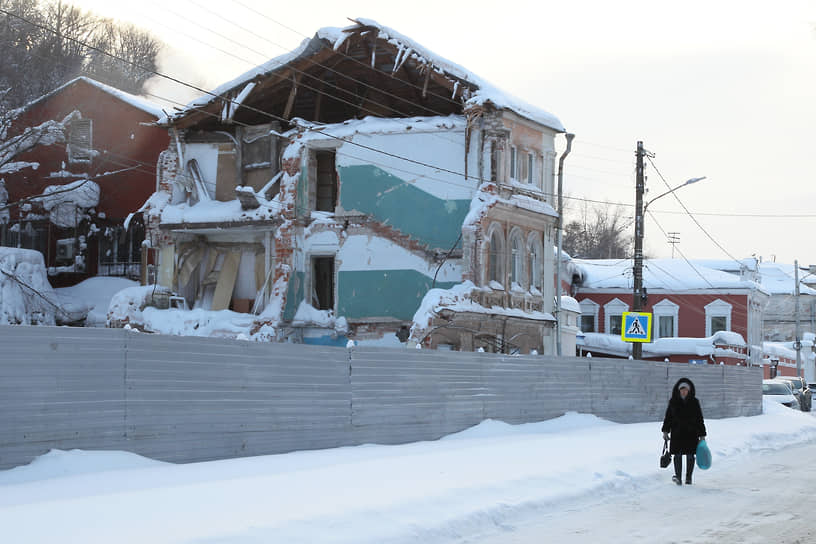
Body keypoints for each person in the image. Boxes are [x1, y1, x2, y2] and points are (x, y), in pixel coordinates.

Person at [661, 378, 706, 485]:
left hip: (691, 433)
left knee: (690, 455)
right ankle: (678, 477)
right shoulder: (673, 402)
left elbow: (700, 418)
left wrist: (702, 434)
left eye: (685, 389)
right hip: (677, 433)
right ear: (678, 390)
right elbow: (668, 417)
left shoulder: (694, 402)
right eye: (681, 389)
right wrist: (665, 431)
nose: (683, 391)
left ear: (689, 390)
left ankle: (688, 477)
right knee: (677, 455)